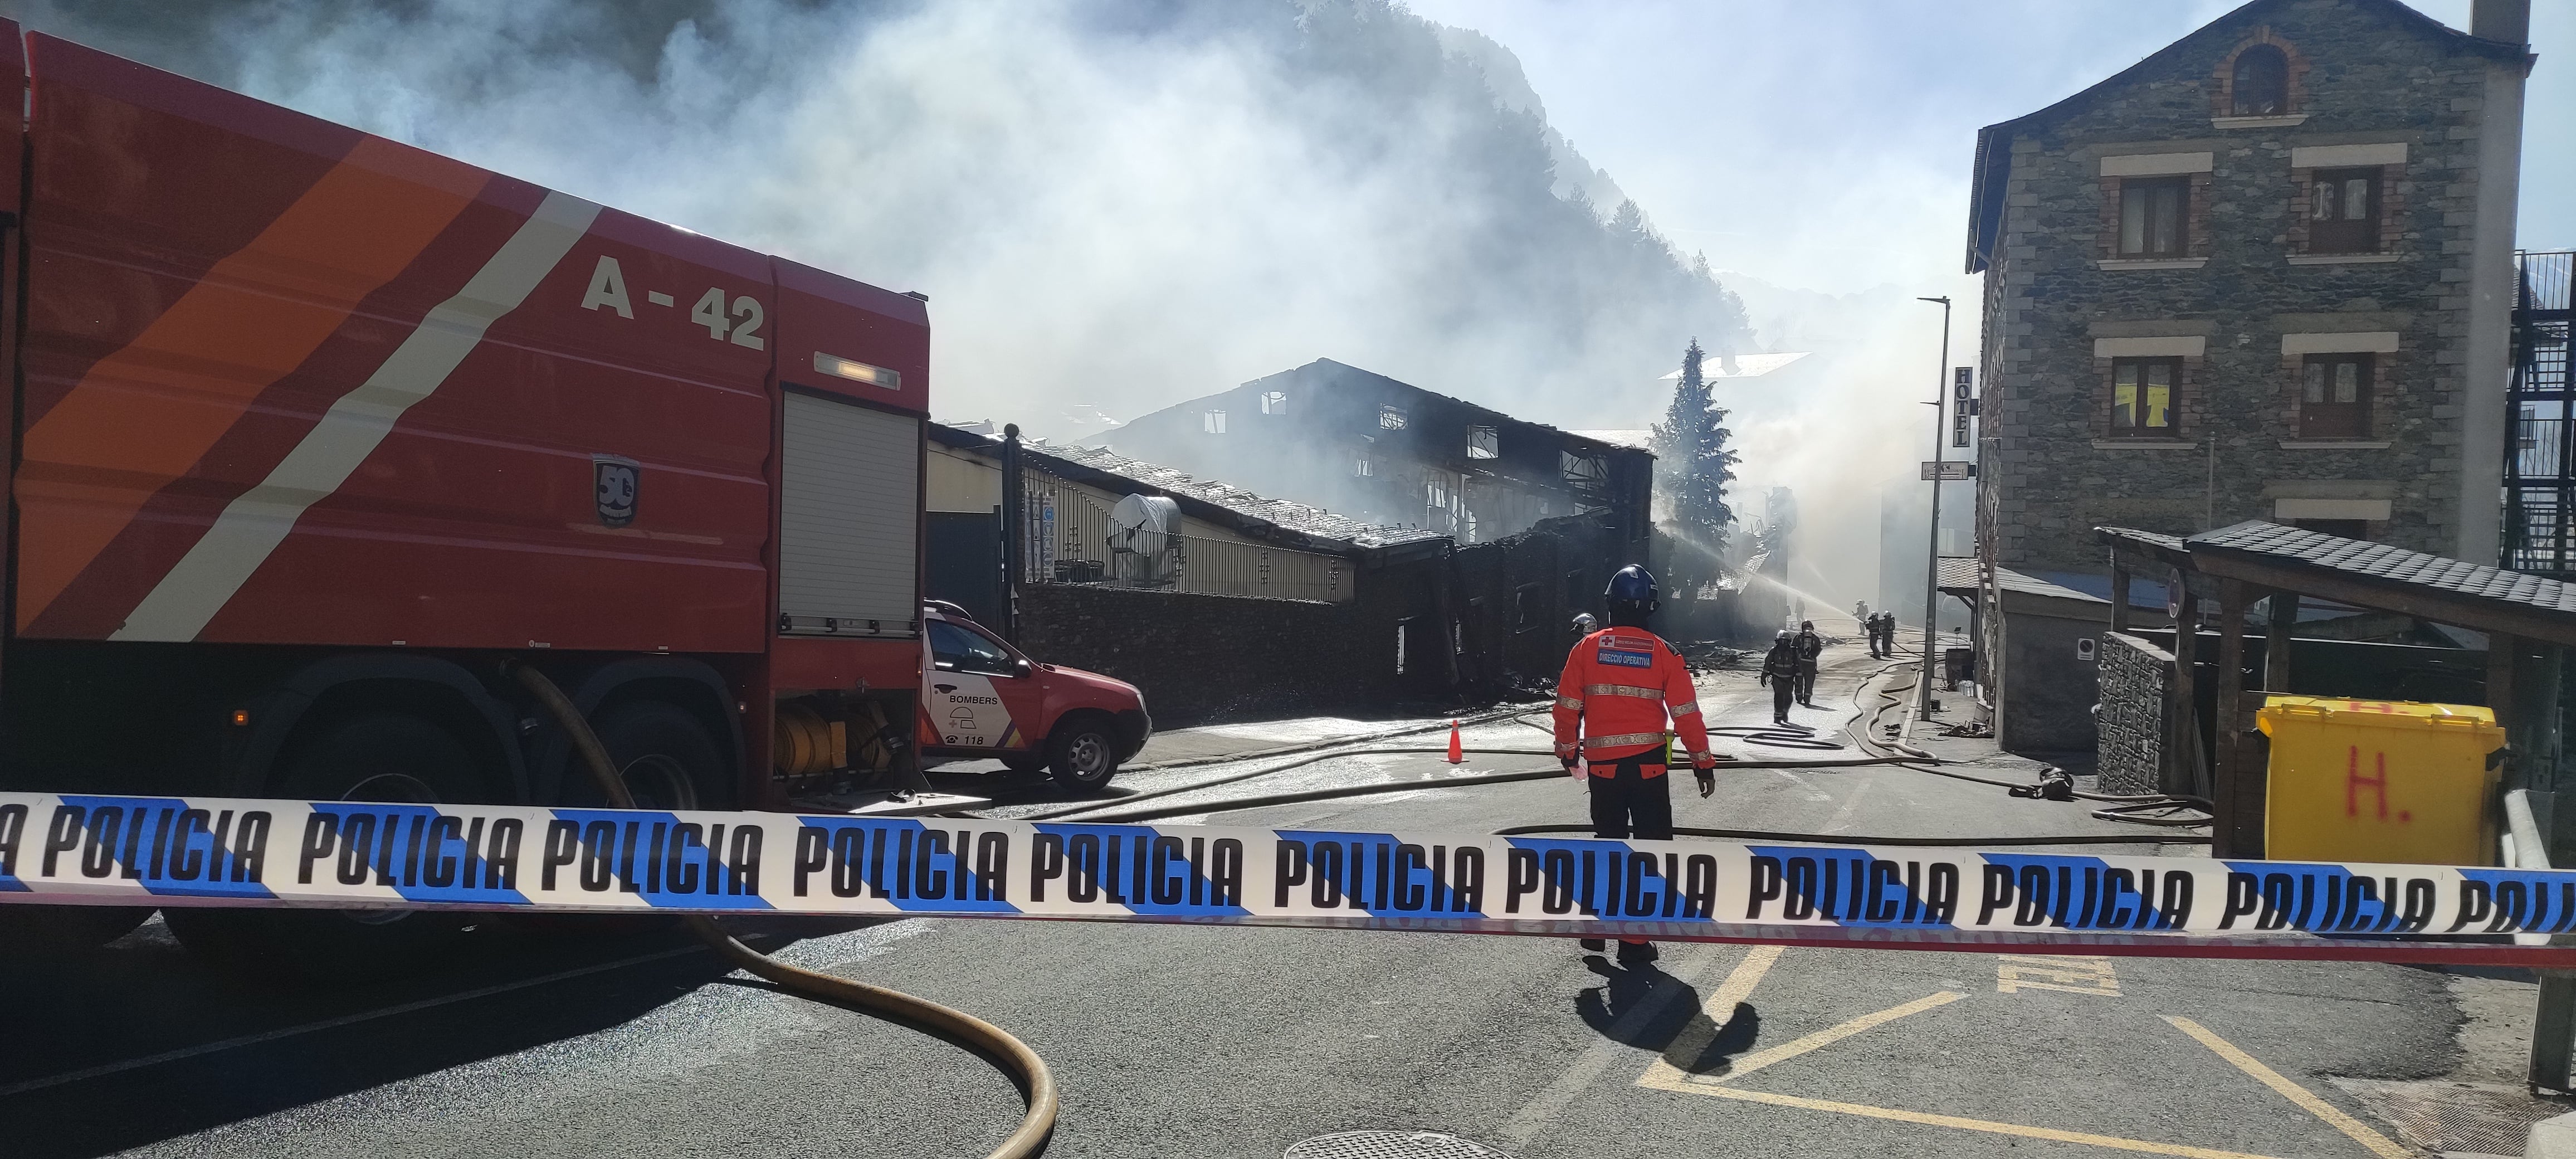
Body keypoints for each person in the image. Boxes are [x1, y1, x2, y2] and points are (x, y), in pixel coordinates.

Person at [1554, 564, 1715, 966]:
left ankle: (1595, 927)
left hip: (1603, 769)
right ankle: (1634, 942)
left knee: (1608, 844)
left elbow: (1567, 707)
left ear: (1610, 604)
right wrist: (1702, 762)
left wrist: (1568, 752)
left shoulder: (1586, 648)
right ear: (1652, 607)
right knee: (1650, 850)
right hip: (1649, 770)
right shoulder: (1665, 653)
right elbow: (1687, 715)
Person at [1757, 630, 1799, 724]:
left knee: (1788, 698)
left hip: (1789, 679)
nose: (1783, 644)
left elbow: (1798, 665)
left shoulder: (1793, 652)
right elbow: (1768, 663)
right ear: (1777, 642)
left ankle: (1784, 711)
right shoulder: (1774, 651)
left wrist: (1799, 678)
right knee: (1779, 696)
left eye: (1785, 641)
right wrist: (1764, 676)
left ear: (1789, 642)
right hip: (1777, 678)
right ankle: (1777, 715)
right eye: (1781, 641)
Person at [1793, 619, 1824, 707]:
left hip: (1799, 664)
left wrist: (1795, 661)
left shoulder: (1798, 637)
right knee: (1809, 682)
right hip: (1811, 664)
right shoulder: (1815, 638)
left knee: (1799, 681)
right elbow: (1818, 650)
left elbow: (1793, 649)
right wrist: (1812, 656)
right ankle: (1807, 698)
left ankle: (1799, 697)